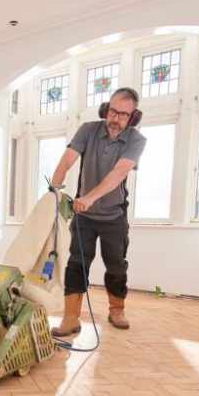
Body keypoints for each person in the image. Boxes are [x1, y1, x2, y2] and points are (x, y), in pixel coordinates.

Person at [48, 87, 147, 335]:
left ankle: (117, 309)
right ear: (106, 109)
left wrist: (90, 197)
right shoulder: (88, 130)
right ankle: (70, 318)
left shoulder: (136, 140)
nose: (116, 118)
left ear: (132, 116)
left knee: (116, 265)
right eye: (113, 111)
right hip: (84, 218)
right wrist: (55, 192)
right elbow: (67, 160)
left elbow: (119, 173)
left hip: (114, 216)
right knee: (76, 264)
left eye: (124, 115)